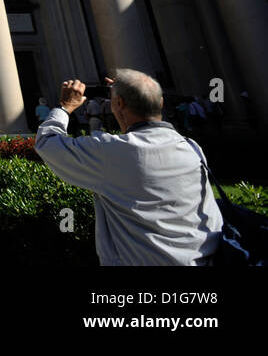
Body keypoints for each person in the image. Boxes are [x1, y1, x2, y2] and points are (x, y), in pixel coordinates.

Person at [34, 70, 222, 266]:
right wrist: (133, 91)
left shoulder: (111, 152)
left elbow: (47, 142)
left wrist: (65, 107)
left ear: (119, 104)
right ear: (161, 103)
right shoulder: (191, 147)